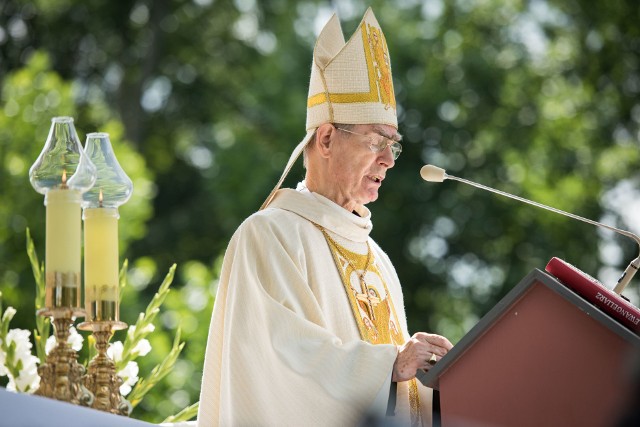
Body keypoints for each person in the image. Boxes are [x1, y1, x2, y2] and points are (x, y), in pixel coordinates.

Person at [196, 8, 453, 427]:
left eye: (394, 146)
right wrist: (390, 364)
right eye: (376, 141)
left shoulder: (378, 260)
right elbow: (284, 360)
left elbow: (397, 393)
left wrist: (434, 376)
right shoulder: (268, 235)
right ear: (328, 138)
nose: (388, 160)